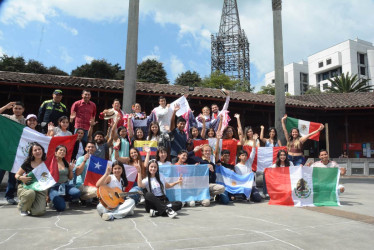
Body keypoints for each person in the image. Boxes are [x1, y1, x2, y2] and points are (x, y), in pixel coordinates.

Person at [0, 101, 26, 205]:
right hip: (4, 149)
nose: (17, 110)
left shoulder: (26, 121)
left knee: (12, 176)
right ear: (12, 109)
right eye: (15, 108)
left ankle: (9, 196)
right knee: (0, 173)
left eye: (20, 108)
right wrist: (6, 106)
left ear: (23, 110)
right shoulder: (7, 118)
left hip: (17, 152)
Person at [14, 142, 47, 216]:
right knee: (30, 193)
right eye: (35, 150)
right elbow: (17, 174)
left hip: (40, 189)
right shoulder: (27, 163)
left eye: (39, 149)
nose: (38, 151)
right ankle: (23, 207)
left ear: (42, 150)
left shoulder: (47, 163)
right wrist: (21, 177)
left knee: (38, 212)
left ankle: (31, 205)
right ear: (32, 153)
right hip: (27, 187)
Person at [49, 145, 81, 212]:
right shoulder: (51, 163)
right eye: (60, 150)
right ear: (55, 152)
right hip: (54, 187)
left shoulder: (66, 162)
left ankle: (64, 199)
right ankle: (55, 200)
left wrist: (71, 170)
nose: (62, 152)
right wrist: (46, 195)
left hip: (65, 185)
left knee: (77, 193)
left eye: (64, 151)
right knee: (61, 208)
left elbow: (70, 177)